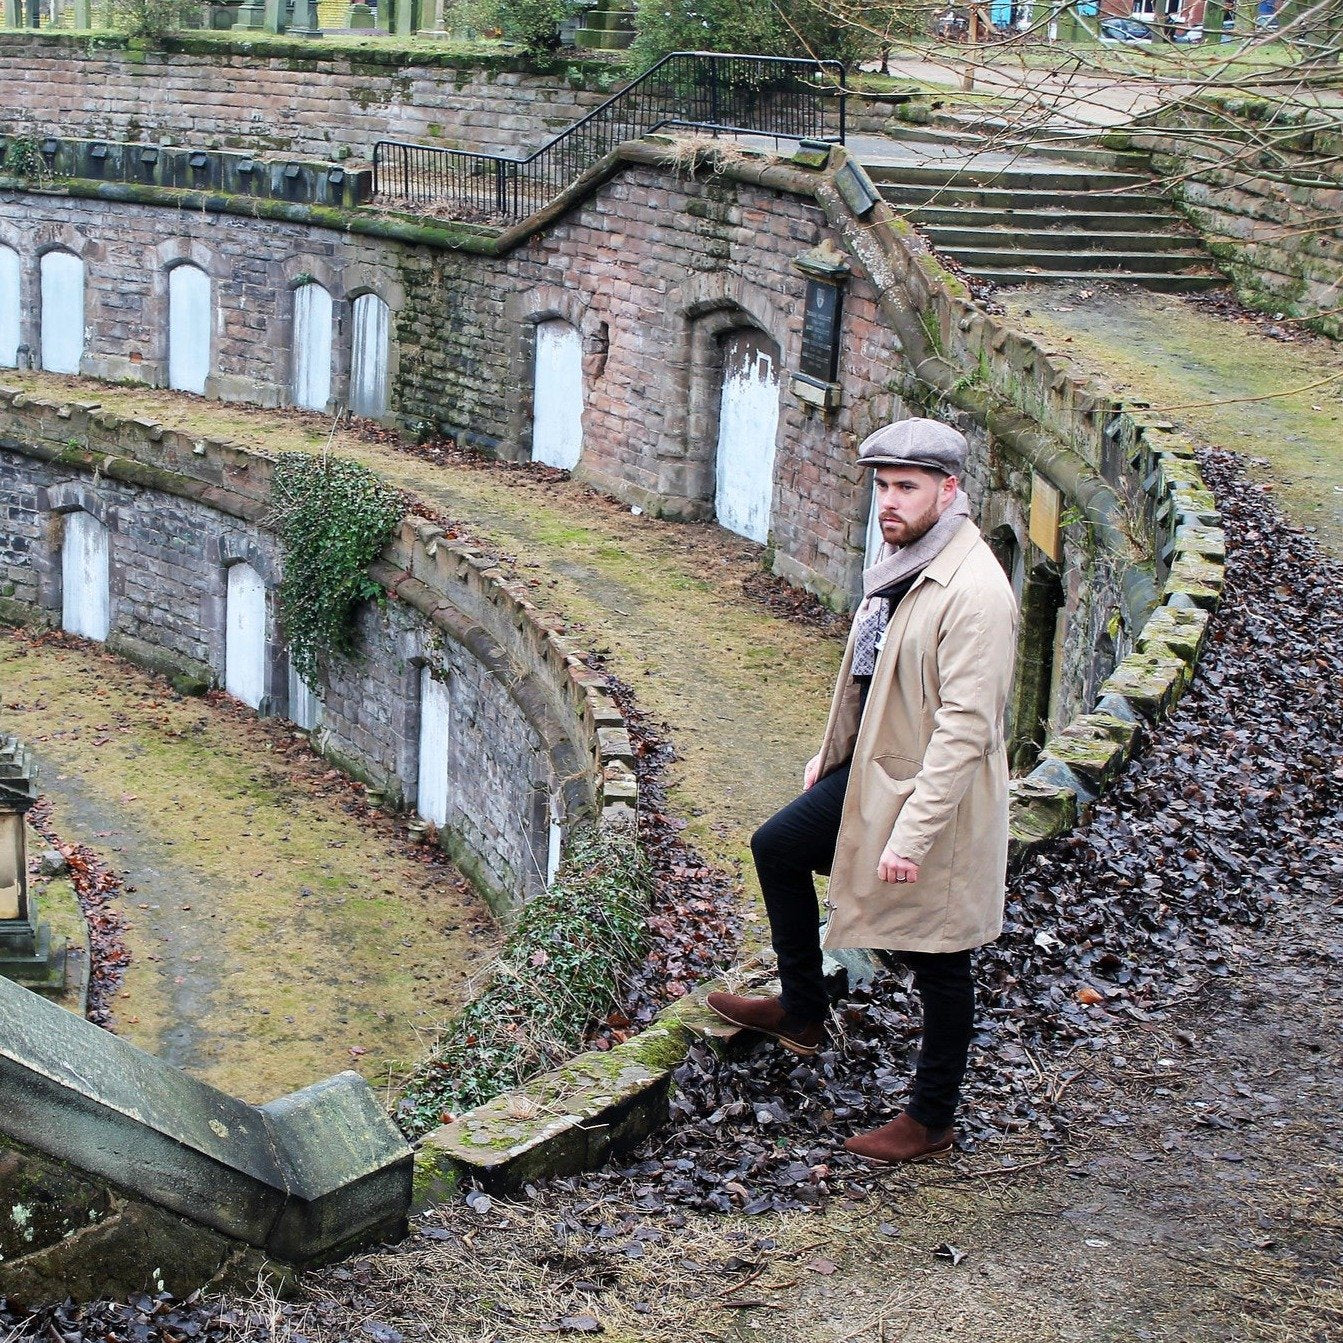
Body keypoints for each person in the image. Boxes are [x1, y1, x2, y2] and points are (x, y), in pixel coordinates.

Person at [707, 417, 1018, 1163]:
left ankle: (930, 1117)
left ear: (950, 490)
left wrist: (910, 836)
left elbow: (963, 730)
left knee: (938, 957)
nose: (888, 501)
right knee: (777, 845)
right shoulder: (905, 560)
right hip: (875, 771)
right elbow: (869, 675)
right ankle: (802, 1008)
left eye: (905, 487)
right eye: (881, 486)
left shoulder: (972, 590)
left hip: (931, 795)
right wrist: (831, 752)